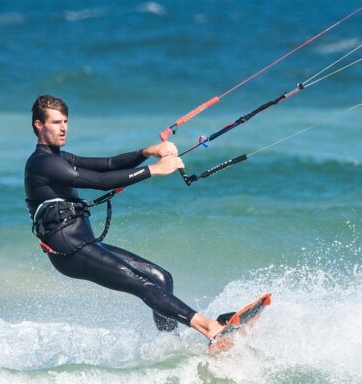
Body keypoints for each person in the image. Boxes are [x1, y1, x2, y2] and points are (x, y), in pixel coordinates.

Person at [24, 94, 228, 342]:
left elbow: (109, 164)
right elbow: (98, 182)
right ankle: (209, 328)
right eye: (56, 122)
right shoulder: (41, 163)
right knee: (144, 284)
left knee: (161, 278)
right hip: (68, 250)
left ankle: (170, 343)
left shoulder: (61, 157)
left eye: (65, 121)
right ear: (39, 125)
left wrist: (147, 152)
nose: (64, 127)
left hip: (84, 243)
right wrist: (154, 169)